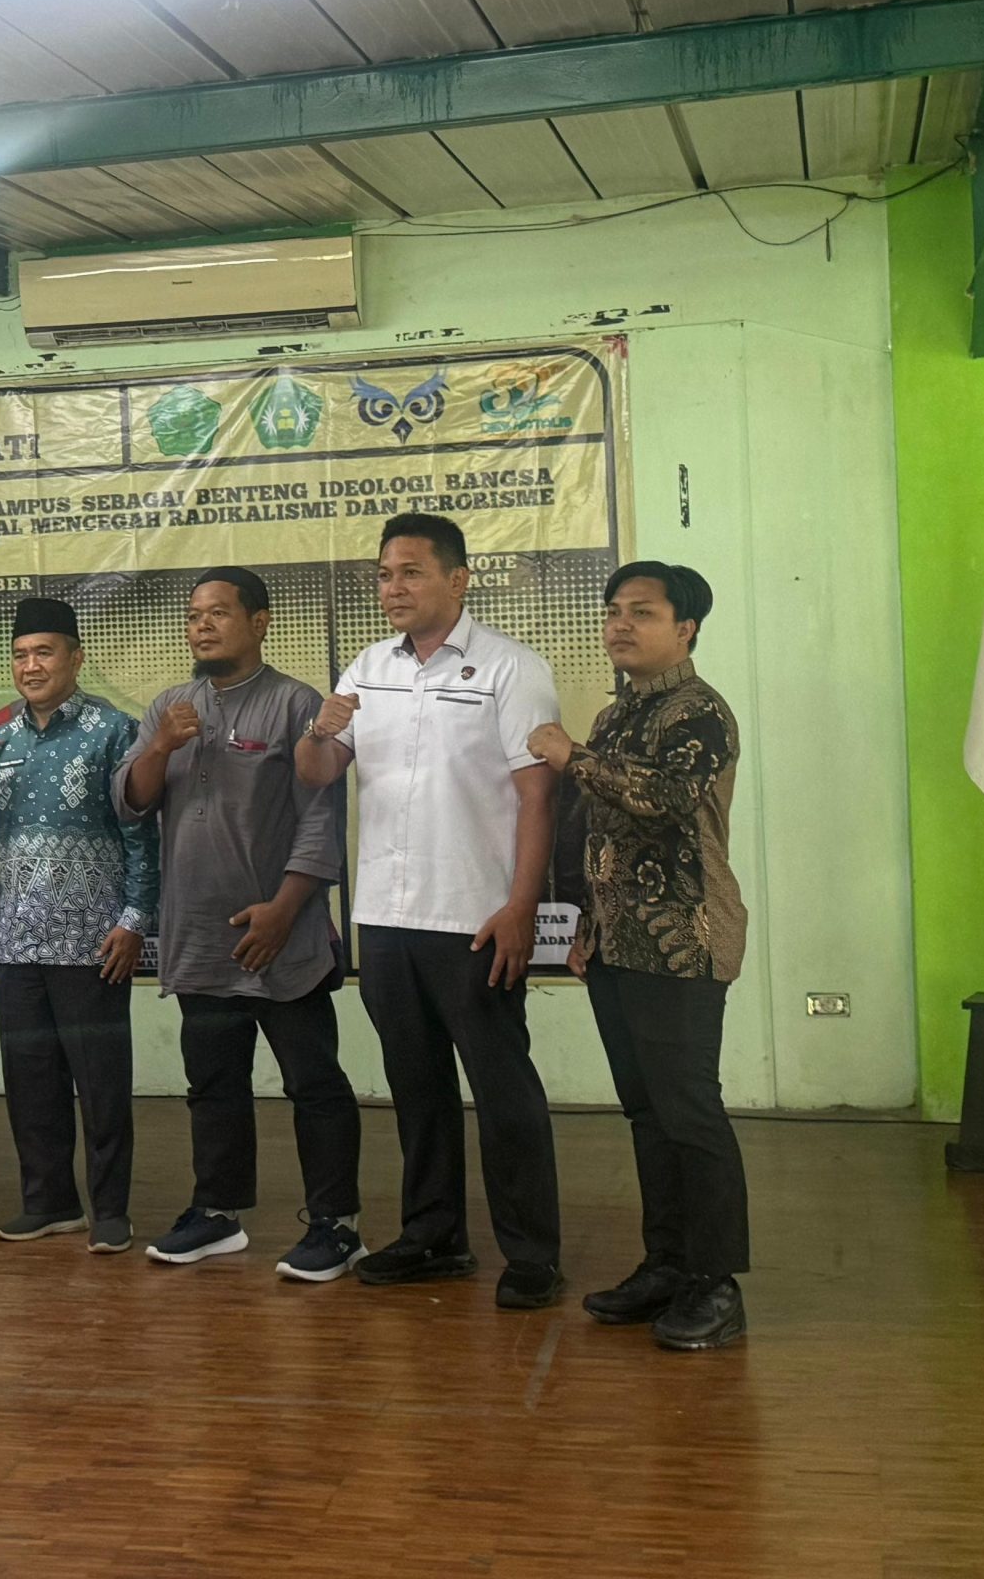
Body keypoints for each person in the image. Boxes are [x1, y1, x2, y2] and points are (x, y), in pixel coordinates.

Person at [298, 513, 566, 1311]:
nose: (394, 588)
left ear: (458, 579)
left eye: (411, 572)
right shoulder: (368, 666)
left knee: (503, 1090)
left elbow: (538, 798)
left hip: (475, 916)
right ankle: (434, 1237)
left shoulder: (511, 667)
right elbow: (317, 772)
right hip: (386, 914)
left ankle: (533, 1254)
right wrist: (320, 730)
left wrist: (521, 906)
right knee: (416, 1089)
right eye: (385, 574)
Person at [116, 568, 365, 1282]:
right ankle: (217, 1213)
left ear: (259, 622)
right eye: (194, 614)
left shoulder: (295, 704)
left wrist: (285, 911)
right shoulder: (170, 707)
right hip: (198, 934)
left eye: (218, 613)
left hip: (281, 937)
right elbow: (132, 802)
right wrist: (160, 746)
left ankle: (336, 1225)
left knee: (313, 1083)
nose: (201, 625)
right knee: (213, 1083)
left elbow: (320, 819)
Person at [530, 562, 750, 1351]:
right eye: (614, 610)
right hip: (617, 943)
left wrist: (570, 755)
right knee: (647, 1112)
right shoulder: (617, 713)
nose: (620, 624)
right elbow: (602, 832)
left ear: (685, 629)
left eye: (643, 612)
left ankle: (715, 1283)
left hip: (684, 939)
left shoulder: (701, 711)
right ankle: (667, 1265)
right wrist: (585, 924)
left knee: (689, 1111)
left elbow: (663, 798)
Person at [0, 596, 157, 1254]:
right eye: (20, 655)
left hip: (93, 942)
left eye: (44, 652)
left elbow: (141, 834)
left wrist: (134, 920)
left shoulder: (114, 731)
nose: (31, 666)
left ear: (75, 658)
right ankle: (49, 1203)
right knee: (30, 1081)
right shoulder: (3, 739)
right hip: (18, 944)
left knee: (101, 1083)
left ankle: (111, 1211)